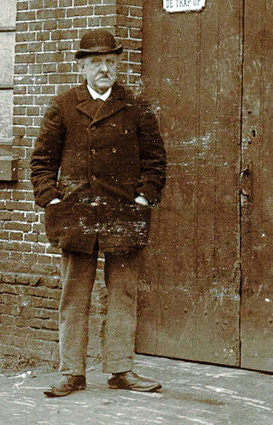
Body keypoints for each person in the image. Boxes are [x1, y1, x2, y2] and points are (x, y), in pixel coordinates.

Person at [30, 29, 167, 398]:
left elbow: (155, 162)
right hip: (77, 214)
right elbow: (42, 162)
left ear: (117, 65)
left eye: (110, 62)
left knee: (122, 293)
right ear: (83, 67)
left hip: (123, 213)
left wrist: (143, 199)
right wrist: (52, 199)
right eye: (96, 63)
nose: (104, 69)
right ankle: (71, 372)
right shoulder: (62, 107)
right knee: (75, 295)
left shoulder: (136, 108)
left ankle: (121, 369)